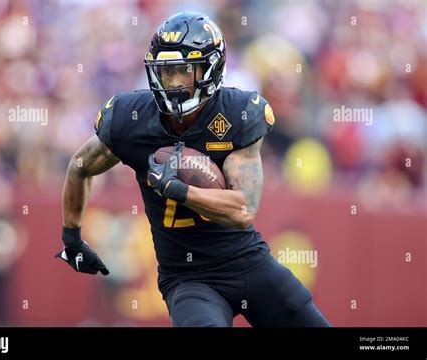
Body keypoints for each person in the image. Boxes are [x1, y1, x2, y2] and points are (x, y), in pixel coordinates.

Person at [56, 12, 330, 327]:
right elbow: (79, 166)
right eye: (165, 73)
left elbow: (243, 209)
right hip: (188, 279)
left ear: (210, 69)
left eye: (183, 72)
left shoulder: (237, 113)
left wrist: (179, 190)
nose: (172, 83)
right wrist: (72, 238)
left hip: (249, 264)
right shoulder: (130, 119)